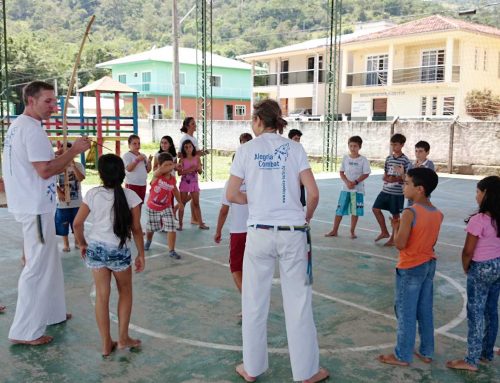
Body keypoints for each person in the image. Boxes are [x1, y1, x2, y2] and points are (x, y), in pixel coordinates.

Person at [227, 99, 328, 383]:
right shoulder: (295, 148)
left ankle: (252, 368)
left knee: (254, 301)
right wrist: (304, 217)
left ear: (259, 120)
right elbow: (314, 193)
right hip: (293, 233)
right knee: (298, 302)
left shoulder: (246, 150)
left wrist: (256, 199)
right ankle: (307, 372)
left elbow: (232, 194)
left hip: (258, 233)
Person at [2, 81, 91, 345]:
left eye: (55, 101)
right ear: (31, 100)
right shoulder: (31, 131)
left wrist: (57, 155)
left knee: (49, 262)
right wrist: (73, 151)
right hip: (36, 207)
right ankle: (24, 331)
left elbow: (38, 164)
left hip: (34, 204)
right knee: (36, 267)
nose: (54, 106)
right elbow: (45, 170)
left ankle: (52, 312)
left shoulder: (19, 126)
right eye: (48, 101)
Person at [73, 154, 145, 357]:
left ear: (101, 174)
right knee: (125, 293)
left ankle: (106, 344)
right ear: (123, 173)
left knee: (102, 297)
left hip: (96, 249)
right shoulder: (131, 196)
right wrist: (141, 253)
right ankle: (123, 338)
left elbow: (77, 224)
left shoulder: (93, 194)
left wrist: (82, 244)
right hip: (118, 251)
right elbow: (137, 228)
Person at [378, 167, 443, 367]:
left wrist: (395, 227)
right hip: (428, 264)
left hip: (411, 266)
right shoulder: (437, 213)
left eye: (407, 183)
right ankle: (426, 351)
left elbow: (400, 244)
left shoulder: (410, 212)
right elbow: (430, 242)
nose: (403, 186)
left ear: (420, 189)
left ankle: (402, 355)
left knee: (406, 312)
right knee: (424, 310)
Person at [446, 176, 500, 372]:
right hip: (498, 266)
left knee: (476, 313)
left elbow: (468, 251)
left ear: (486, 194)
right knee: (491, 310)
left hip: (481, 268)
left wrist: (466, 266)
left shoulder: (479, 220)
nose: (476, 195)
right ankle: (486, 353)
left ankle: (471, 360)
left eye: (478, 191)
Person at [214, 133, 252, 296]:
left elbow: (224, 210)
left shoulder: (231, 184)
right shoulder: (256, 179)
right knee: (253, 268)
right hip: (258, 229)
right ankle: (254, 302)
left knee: (236, 267)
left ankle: (248, 302)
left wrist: (218, 230)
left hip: (239, 231)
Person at [325, 136, 371, 239]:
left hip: (357, 190)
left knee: (355, 212)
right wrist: (347, 182)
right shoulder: (345, 158)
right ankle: (334, 230)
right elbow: (341, 172)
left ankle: (352, 231)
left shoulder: (363, 160)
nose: (352, 148)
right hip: (345, 190)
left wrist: (355, 182)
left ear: (360, 147)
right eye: (351, 146)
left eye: (355, 146)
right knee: (339, 210)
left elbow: (366, 173)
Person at [372, 133, 410, 246]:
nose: (394, 147)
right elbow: (385, 173)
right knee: (375, 209)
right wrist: (386, 177)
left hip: (397, 193)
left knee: (395, 216)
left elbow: (406, 178)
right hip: (385, 190)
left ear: (402, 145)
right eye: (392, 145)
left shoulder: (405, 160)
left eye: (396, 145)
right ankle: (384, 232)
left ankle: (394, 238)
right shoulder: (388, 158)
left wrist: (398, 178)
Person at [144, 152, 184, 259]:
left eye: (170, 164)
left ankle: (171, 250)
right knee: (151, 228)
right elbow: (160, 171)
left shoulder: (172, 179)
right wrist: (174, 165)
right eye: (167, 165)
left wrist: (180, 202)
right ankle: (148, 240)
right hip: (152, 207)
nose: (169, 167)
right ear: (160, 166)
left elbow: (175, 190)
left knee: (171, 227)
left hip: (165, 207)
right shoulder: (157, 176)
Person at [55, 142, 85, 252]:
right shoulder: (57, 167)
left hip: (76, 201)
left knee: (76, 223)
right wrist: (59, 192)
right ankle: (66, 244)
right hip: (63, 203)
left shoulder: (78, 165)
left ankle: (77, 241)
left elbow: (81, 178)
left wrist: (72, 165)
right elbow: (53, 182)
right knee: (63, 223)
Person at [178, 140, 209, 230]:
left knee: (196, 204)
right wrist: (189, 170)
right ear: (183, 149)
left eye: (190, 147)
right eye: (186, 147)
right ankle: (180, 224)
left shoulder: (197, 158)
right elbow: (179, 173)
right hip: (184, 183)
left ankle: (200, 223)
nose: (188, 149)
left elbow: (199, 172)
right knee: (182, 203)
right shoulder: (182, 159)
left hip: (194, 183)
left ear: (193, 147)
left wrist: (199, 168)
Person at [122, 134, 152, 205]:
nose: (137, 145)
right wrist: (137, 160)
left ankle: (138, 216)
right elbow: (129, 169)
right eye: (134, 143)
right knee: (132, 205)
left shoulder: (143, 155)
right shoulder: (127, 155)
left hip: (142, 184)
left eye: (138, 143)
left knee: (140, 204)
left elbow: (147, 170)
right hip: (132, 184)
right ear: (129, 145)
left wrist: (149, 162)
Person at [407, 141, 435, 206]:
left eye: (420, 151)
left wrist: (419, 171)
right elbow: (407, 180)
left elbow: (429, 180)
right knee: (410, 213)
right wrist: (403, 173)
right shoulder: (411, 164)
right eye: (416, 151)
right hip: (412, 196)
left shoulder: (430, 164)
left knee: (422, 213)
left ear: (427, 152)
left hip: (423, 197)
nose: (417, 153)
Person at [288, 129, 306, 207]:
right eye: (295, 138)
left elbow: (304, 169)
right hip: (289, 184)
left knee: (300, 206)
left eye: (299, 139)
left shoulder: (300, 151)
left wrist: (302, 181)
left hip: (299, 184)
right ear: (290, 139)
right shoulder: (285, 152)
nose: (297, 141)